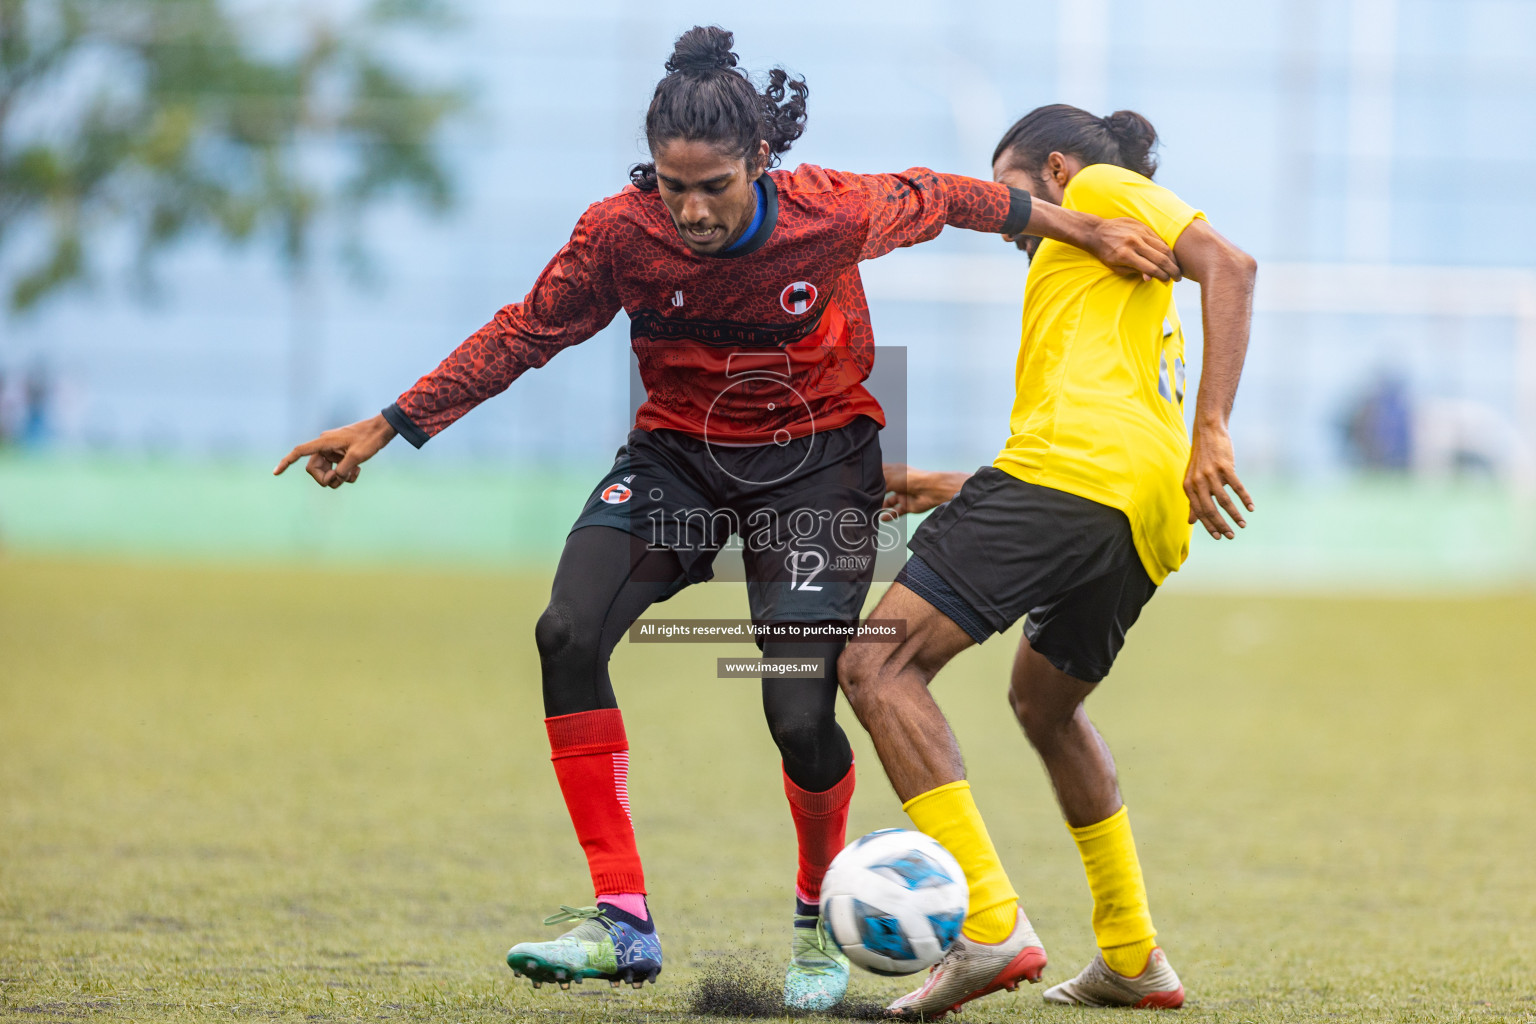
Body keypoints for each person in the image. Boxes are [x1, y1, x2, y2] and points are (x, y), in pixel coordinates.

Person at [273, 33, 1180, 1010]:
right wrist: (390, 422)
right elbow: (525, 331)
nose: (693, 209)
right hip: (679, 465)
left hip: (821, 472)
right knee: (565, 632)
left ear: (759, 161)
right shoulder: (620, 235)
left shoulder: (832, 209)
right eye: (674, 186)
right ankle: (621, 919)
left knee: (799, 710)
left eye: (714, 185)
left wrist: (1080, 229)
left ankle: (812, 922)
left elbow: (956, 193)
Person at [838, 103, 1257, 1018]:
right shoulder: (1093, 273)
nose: (1004, 220)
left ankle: (989, 925)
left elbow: (1232, 264)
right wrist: (952, 485)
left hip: (1079, 479)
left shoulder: (1102, 193)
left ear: (1059, 171)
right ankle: (1131, 953)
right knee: (1045, 704)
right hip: (1139, 513)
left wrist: (1214, 428)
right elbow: (1095, 424)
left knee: (877, 664)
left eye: (1012, 193)